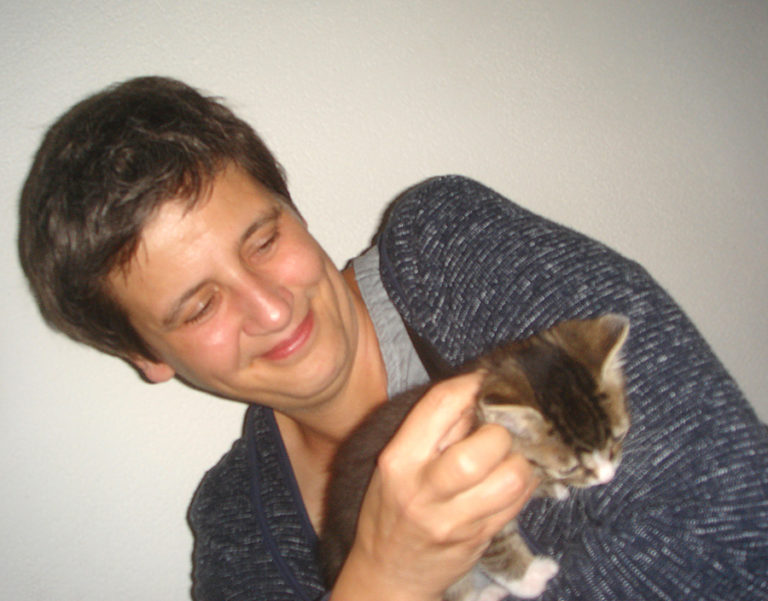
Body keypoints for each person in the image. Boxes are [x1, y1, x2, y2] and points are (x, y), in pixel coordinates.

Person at [17, 76, 768, 601]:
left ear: (295, 207)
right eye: (198, 305)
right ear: (151, 357)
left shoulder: (439, 249)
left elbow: (738, 518)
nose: (272, 309)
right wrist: (382, 580)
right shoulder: (238, 526)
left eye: (263, 238)